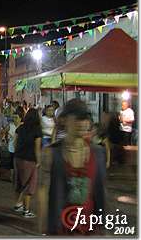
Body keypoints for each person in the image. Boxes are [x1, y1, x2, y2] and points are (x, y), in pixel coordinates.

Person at [41, 99, 106, 235]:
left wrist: (102, 226)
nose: (82, 123)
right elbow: (43, 192)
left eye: (85, 119)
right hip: (60, 229)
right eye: (77, 118)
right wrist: (43, 228)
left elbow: (100, 191)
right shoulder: (52, 153)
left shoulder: (98, 153)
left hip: (89, 229)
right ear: (64, 120)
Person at [13, 108, 42, 218]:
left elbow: (15, 142)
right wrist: (38, 161)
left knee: (20, 182)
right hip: (29, 159)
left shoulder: (20, 128)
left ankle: (18, 204)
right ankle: (26, 210)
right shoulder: (37, 130)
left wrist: (17, 153)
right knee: (29, 185)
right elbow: (37, 148)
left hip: (18, 158)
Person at [7, 107, 24, 182]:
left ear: (20, 118)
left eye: (16, 117)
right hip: (11, 147)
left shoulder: (23, 126)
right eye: (13, 117)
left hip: (20, 148)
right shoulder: (10, 125)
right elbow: (7, 136)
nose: (15, 119)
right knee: (11, 162)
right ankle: (11, 176)